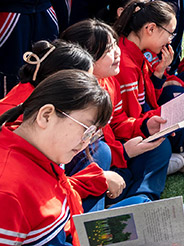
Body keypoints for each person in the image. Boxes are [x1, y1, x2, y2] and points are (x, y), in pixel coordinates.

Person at [62, 19, 171, 208]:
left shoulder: (109, 80)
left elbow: (118, 122)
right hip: (92, 166)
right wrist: (124, 152)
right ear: (85, 58)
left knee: (160, 147)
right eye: (108, 51)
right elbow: (81, 153)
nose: (117, 53)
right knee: (101, 154)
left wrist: (145, 126)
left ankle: (142, 197)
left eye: (115, 45)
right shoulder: (74, 97)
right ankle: (125, 202)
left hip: (115, 156)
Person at [0, 70, 113, 246]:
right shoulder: (8, 193)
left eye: (93, 134)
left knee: (141, 208)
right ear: (46, 116)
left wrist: (94, 180)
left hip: (65, 231)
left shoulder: (40, 150)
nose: (86, 142)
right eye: (87, 130)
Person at [114, 0, 184, 176]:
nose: (170, 40)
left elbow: (147, 98)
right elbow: (134, 117)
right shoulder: (126, 64)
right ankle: (179, 156)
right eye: (170, 33)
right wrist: (171, 113)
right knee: (178, 133)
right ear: (150, 29)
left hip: (145, 119)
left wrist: (160, 74)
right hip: (138, 128)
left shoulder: (138, 53)